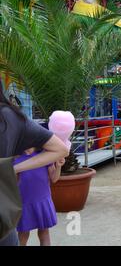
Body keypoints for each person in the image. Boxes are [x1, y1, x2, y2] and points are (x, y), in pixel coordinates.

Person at [0, 83, 69, 246]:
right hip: (19, 204)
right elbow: (60, 148)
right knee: (22, 235)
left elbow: (54, 174)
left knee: (41, 233)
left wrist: (12, 168)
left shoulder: (37, 157)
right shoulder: (12, 118)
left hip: (35, 201)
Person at [15, 148, 64, 246]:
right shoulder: (16, 157)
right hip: (24, 202)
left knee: (44, 232)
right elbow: (13, 183)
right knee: (23, 234)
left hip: (42, 201)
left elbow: (54, 178)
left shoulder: (44, 154)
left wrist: (58, 166)